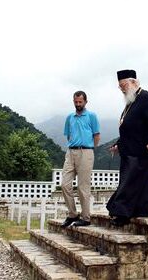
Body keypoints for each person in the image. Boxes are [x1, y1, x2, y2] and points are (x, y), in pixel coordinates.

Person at [106, 70, 148, 227]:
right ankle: (140, 211)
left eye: (124, 85)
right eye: (120, 86)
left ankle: (122, 214)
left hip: (141, 150)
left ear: (134, 83)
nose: (122, 89)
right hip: (128, 150)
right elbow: (129, 128)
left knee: (131, 182)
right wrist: (118, 143)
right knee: (131, 182)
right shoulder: (131, 102)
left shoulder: (146, 98)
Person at [61, 90, 100, 227]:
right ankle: (72, 214)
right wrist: (74, 146)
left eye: (80, 102)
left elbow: (96, 136)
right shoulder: (69, 117)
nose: (78, 104)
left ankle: (85, 218)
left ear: (85, 102)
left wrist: (89, 149)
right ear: (73, 101)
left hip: (86, 152)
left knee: (83, 187)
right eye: (76, 102)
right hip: (71, 152)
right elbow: (68, 135)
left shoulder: (91, 116)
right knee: (65, 184)